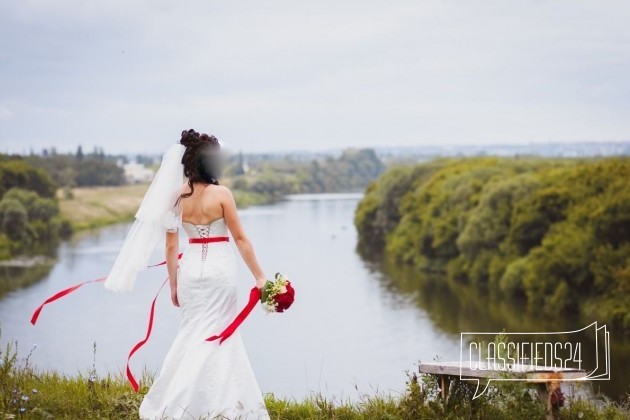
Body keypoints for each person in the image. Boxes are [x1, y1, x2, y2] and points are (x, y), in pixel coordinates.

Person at [134, 129, 271, 419]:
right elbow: (241, 240)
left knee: (192, 333)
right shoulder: (222, 194)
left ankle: (179, 402)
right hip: (220, 271)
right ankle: (222, 405)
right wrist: (260, 276)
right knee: (221, 334)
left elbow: (171, 245)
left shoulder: (175, 197)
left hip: (190, 272)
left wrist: (174, 284)